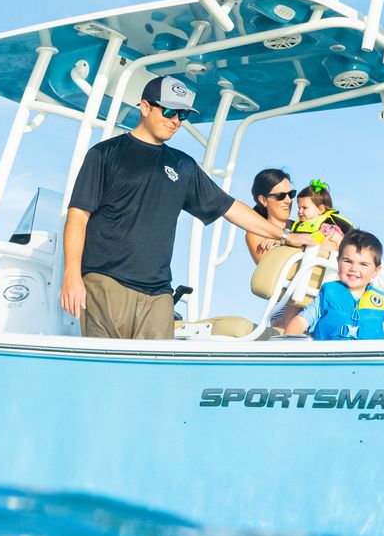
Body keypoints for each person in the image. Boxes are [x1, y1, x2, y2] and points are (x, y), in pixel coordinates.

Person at [60, 75, 287, 341]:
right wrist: (72, 275)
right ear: (145, 107)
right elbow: (78, 217)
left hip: (158, 293)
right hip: (106, 282)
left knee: (154, 377)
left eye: (182, 114)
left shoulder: (183, 165)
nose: (176, 120)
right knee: (108, 373)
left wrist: (283, 235)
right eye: (168, 111)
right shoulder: (104, 154)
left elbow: (229, 207)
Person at [305, 229, 384, 340]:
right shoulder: (328, 294)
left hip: (367, 357)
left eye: (363, 264)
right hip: (329, 355)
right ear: (338, 262)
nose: (354, 269)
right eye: (348, 261)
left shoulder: (381, 303)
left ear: (376, 270)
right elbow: (301, 321)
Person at [244, 168, 296, 268]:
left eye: (291, 194)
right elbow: (271, 268)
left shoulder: (301, 225)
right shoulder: (255, 233)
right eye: (280, 196)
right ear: (263, 200)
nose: (288, 200)